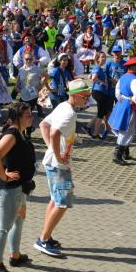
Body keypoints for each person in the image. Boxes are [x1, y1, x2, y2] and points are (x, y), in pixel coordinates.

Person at [35, 79, 92, 257]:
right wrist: (59, 156)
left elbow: (43, 124)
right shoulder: (69, 114)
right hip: (59, 166)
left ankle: (46, 236)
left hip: (55, 163)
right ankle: (43, 240)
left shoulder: (62, 107)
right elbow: (53, 131)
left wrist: (51, 149)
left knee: (55, 200)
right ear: (75, 96)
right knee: (62, 202)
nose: (88, 100)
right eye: (85, 96)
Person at [0, 102, 36, 272]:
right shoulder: (12, 134)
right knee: (4, 226)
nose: (31, 117)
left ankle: (15, 256)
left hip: (19, 187)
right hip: (8, 188)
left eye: (31, 114)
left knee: (19, 219)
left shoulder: (21, 133)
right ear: (17, 118)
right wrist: (5, 175)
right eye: (28, 115)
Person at [108, 57, 136, 164]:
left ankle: (125, 152)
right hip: (130, 106)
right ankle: (118, 154)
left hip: (122, 104)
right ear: (134, 67)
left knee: (124, 128)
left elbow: (117, 91)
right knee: (127, 129)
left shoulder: (124, 77)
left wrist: (121, 100)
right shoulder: (134, 80)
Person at [84, 52, 111, 139]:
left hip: (101, 92)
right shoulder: (97, 67)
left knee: (102, 112)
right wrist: (102, 82)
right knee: (101, 113)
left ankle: (88, 127)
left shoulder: (100, 68)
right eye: (102, 57)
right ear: (98, 59)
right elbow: (93, 78)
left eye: (105, 57)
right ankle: (95, 133)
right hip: (98, 92)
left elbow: (89, 77)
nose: (104, 59)